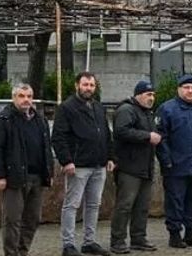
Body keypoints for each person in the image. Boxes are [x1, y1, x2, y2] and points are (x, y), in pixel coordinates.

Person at [52, 72, 115, 256]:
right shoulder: (66, 108)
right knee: (72, 205)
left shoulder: (98, 107)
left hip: (99, 164)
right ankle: (68, 244)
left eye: (92, 85)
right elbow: (58, 137)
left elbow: (106, 133)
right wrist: (66, 160)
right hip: (78, 165)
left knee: (94, 205)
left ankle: (89, 241)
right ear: (77, 85)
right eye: (85, 84)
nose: (88, 88)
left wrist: (110, 157)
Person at [0, 84, 52, 256]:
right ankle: (11, 253)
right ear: (14, 98)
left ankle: (22, 251)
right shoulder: (3, 120)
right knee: (12, 220)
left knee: (32, 219)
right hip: (14, 177)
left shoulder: (40, 120)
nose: (26, 100)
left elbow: (46, 147)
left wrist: (49, 173)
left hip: (37, 177)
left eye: (29, 96)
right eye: (21, 96)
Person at [156, 74, 192, 249]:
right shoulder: (167, 109)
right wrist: (167, 161)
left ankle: (191, 233)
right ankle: (174, 234)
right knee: (175, 201)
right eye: (187, 87)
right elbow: (161, 138)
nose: (190, 91)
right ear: (179, 89)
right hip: (176, 165)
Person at [111, 81, 160, 255]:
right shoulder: (126, 110)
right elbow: (121, 131)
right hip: (129, 167)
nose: (151, 98)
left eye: (153, 95)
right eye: (148, 94)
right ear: (138, 94)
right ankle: (117, 240)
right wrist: (147, 136)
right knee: (125, 205)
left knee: (142, 206)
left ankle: (138, 238)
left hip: (145, 166)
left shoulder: (147, 113)